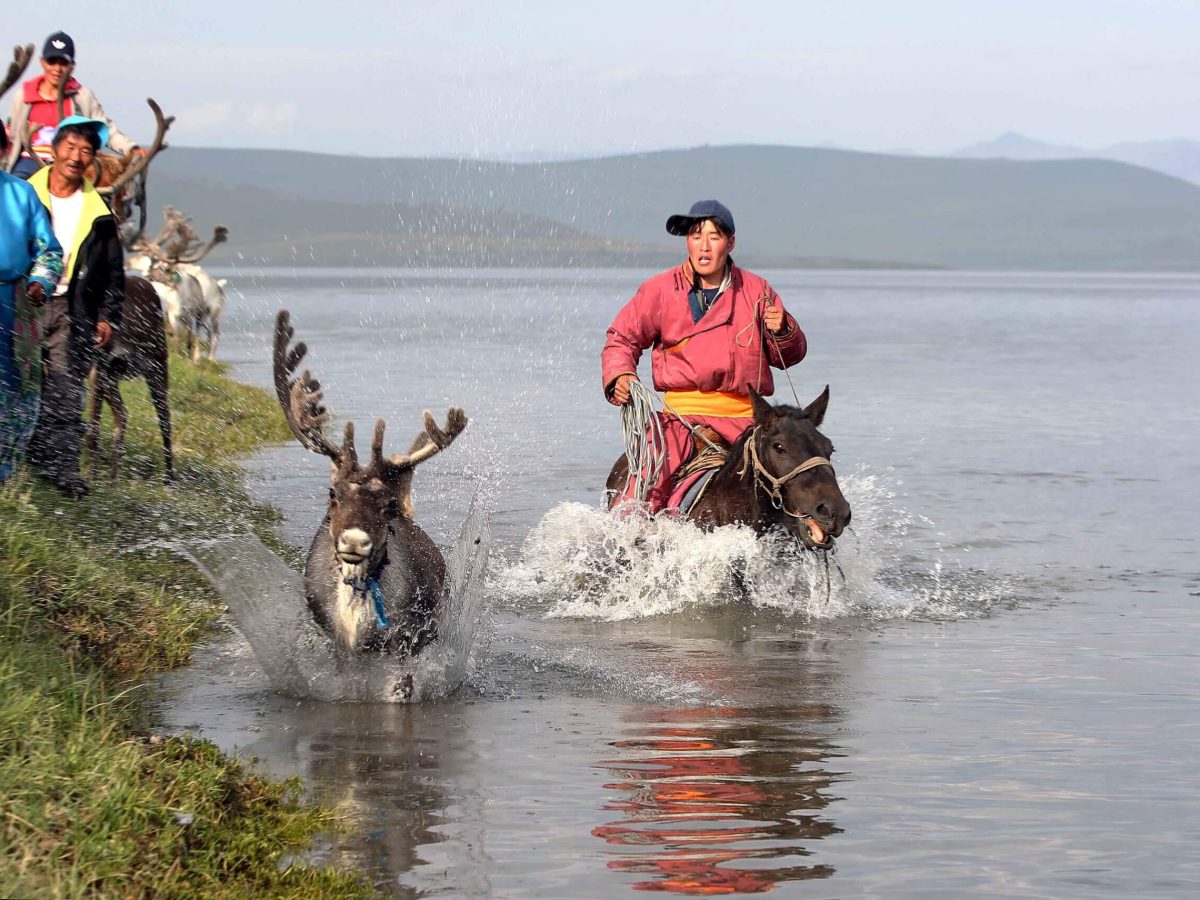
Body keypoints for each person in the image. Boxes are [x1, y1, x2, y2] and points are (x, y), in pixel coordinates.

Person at [601, 199, 807, 513]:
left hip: (745, 420)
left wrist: (783, 329)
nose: (704, 246)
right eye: (696, 236)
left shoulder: (756, 290)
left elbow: (788, 357)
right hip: (681, 419)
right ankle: (627, 543)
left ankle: (817, 534)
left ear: (730, 242)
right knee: (645, 481)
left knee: (801, 472)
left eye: (714, 236)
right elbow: (621, 339)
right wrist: (621, 374)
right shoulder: (659, 290)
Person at [25, 116, 123, 497]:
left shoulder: (99, 213)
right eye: (69, 147)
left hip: (73, 307)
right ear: (54, 150)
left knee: (66, 389)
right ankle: (23, 465)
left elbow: (114, 271)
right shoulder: (23, 194)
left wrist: (107, 317)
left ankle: (63, 473)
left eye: (86, 151)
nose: (76, 156)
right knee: (21, 385)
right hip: (22, 304)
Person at [0, 125, 63, 482]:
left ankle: (6, 473)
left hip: (12, 302)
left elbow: (50, 251)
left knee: (15, 386)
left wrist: (41, 281)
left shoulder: (21, 194)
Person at [4, 31, 144, 179]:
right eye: (52, 62)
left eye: (63, 63)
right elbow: (11, 133)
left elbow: (106, 129)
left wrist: (131, 148)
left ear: (72, 65)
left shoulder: (82, 96)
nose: (57, 69)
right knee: (15, 191)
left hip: (71, 161)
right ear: (42, 62)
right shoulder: (24, 96)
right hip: (30, 160)